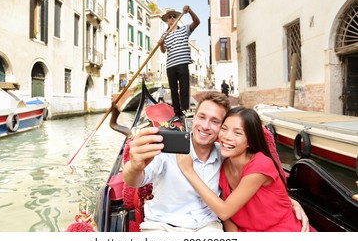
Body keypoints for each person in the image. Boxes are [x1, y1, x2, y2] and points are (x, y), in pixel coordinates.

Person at [123, 92, 310, 232]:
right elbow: (134, 180)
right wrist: (135, 164)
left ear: (221, 127)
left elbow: (260, 181)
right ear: (193, 118)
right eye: (202, 117)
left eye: (215, 121)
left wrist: (288, 201)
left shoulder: (226, 154)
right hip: (163, 227)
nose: (205, 126)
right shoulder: (167, 149)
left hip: (208, 227)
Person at [177, 107, 316, 232]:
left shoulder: (261, 164)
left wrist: (189, 171)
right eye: (224, 129)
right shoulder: (224, 166)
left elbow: (224, 212)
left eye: (237, 133)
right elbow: (228, 217)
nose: (226, 137)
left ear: (250, 141)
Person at [158, 5, 200, 121]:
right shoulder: (164, 35)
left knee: (184, 88)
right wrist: (161, 44)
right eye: (169, 17)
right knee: (173, 90)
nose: (171, 18)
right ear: (166, 21)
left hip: (182, 63)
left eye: (174, 16)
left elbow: (197, 22)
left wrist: (190, 11)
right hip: (171, 65)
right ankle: (177, 113)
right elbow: (163, 50)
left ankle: (185, 111)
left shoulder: (184, 30)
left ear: (177, 18)